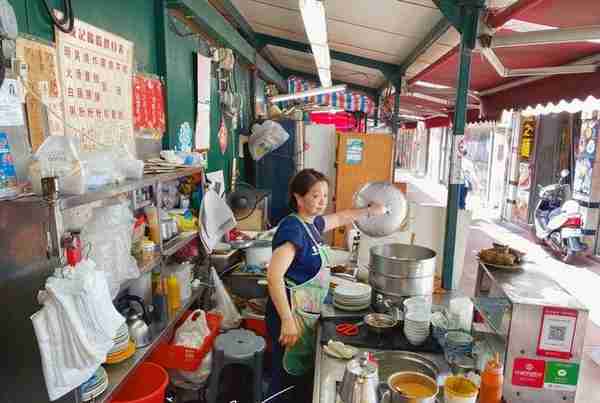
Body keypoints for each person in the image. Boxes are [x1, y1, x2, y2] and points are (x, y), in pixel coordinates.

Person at [265, 169, 387, 403]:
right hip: (289, 316)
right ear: (298, 198)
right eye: (315, 196)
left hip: (306, 313)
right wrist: (288, 319)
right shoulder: (292, 228)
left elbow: (341, 217)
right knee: (285, 375)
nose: (321, 202)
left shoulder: (312, 224)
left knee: (299, 373)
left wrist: (370, 210)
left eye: (324, 196)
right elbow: (274, 276)